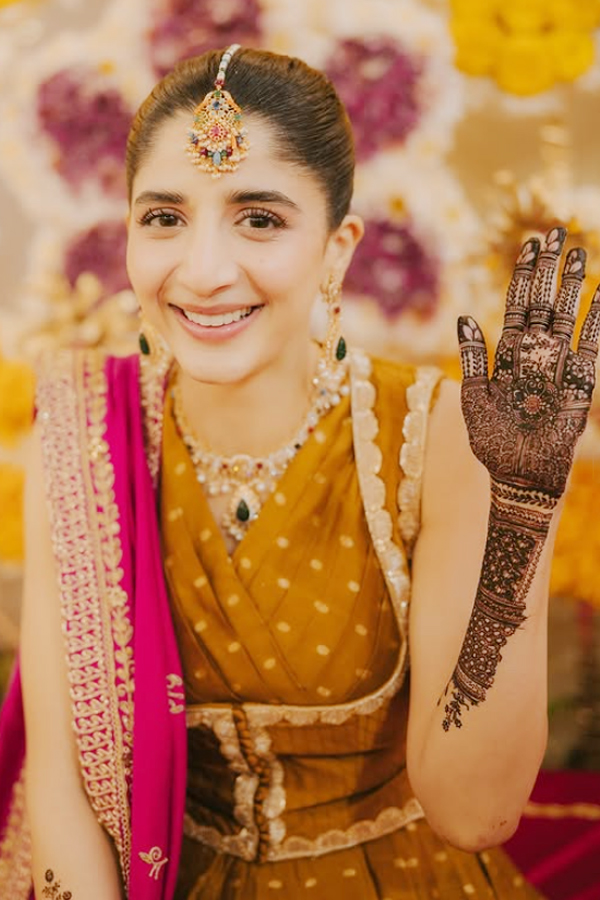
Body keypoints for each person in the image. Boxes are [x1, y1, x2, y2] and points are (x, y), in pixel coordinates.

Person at [0, 44, 598, 900]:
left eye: (260, 219)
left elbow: (475, 814)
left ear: (338, 248)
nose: (203, 273)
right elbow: (63, 792)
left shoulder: (443, 439)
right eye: (164, 218)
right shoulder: (83, 435)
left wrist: (522, 516)